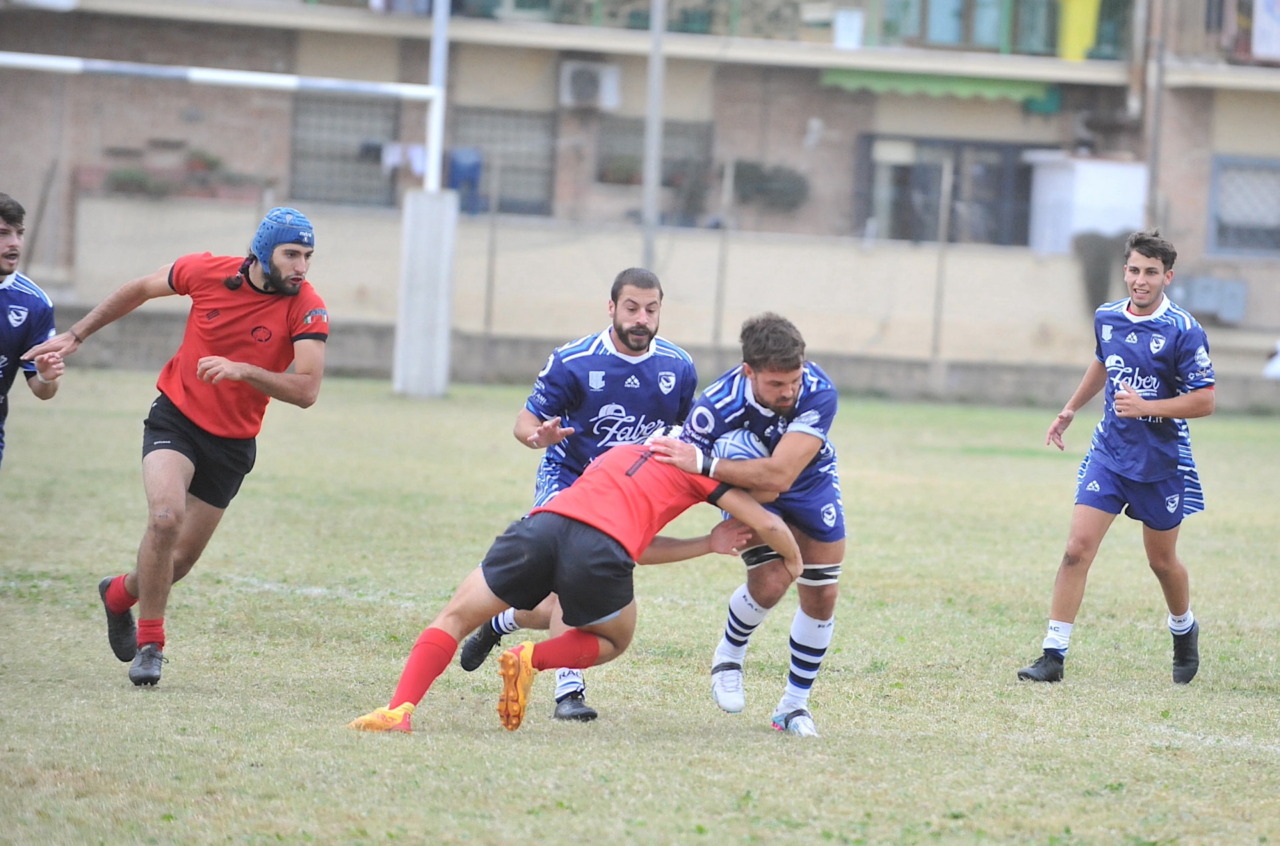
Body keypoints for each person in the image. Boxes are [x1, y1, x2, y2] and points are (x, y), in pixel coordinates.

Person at [23, 207, 329, 687]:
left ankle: (118, 595)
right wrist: (76, 334)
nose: (301, 267)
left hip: (232, 443)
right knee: (164, 519)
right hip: (177, 418)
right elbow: (141, 288)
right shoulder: (207, 271)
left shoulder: (305, 305)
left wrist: (243, 369)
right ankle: (151, 645)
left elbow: (308, 390)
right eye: (292, 254)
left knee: (179, 562)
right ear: (263, 251)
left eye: (308, 256)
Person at [347, 427, 801, 734]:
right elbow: (769, 524)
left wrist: (706, 542)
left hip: (542, 526)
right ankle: (533, 658)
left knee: (455, 615)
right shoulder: (702, 473)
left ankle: (399, 711)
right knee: (613, 638)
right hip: (599, 549)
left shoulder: (619, 452)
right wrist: (796, 565)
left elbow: (631, 540)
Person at [457, 267, 699, 722]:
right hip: (567, 480)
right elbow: (524, 424)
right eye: (631, 308)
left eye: (651, 309)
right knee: (569, 582)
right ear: (611, 308)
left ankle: (500, 621)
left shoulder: (678, 367)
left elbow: (685, 435)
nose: (641, 319)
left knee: (554, 600)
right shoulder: (574, 360)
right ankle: (569, 692)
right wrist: (538, 438)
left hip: (625, 496)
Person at [1017, 229, 1215, 684]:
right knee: (1075, 551)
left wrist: (1149, 408)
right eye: (1133, 270)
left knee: (1162, 563)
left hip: (1161, 464)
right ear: (1124, 271)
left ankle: (1183, 628)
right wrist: (1070, 409)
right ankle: (1053, 655)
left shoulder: (1184, 331)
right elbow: (1104, 361)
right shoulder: (1107, 317)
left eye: (1150, 273)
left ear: (1168, 277)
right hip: (1109, 453)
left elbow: (1204, 400)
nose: (1140, 280)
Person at [648, 312, 845, 738]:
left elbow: (781, 476)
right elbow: (683, 476)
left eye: (794, 379)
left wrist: (704, 462)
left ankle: (793, 707)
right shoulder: (716, 407)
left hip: (809, 482)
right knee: (772, 581)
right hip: (744, 489)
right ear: (748, 371)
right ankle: (729, 656)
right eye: (776, 384)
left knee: (823, 592)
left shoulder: (818, 389)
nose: (789, 391)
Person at [1, 193, 63, 468]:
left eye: (19, 233)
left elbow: (42, 390)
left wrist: (46, 376)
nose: (14, 243)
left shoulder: (34, 304)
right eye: (3, 233)